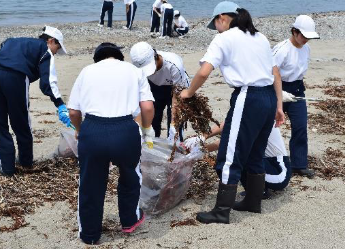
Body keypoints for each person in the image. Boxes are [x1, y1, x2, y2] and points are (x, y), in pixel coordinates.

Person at [180, 1, 284, 224]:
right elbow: (275, 73)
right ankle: (252, 202)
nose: (215, 29)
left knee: (228, 156)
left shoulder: (223, 38)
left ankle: (221, 211)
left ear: (222, 19)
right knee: (255, 153)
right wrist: (278, 106)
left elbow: (204, 71)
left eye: (215, 24)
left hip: (248, 96)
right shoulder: (260, 37)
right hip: (268, 97)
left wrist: (188, 93)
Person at [68, 43, 154, 245]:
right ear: (119, 57)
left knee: (90, 183)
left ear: (97, 58)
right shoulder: (134, 71)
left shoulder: (87, 71)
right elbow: (148, 107)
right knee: (131, 176)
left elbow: (73, 112)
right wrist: (146, 129)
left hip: (93, 130)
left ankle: (90, 234)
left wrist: (80, 129)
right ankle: (129, 221)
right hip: (125, 130)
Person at [0, 26, 70, 177]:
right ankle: (25, 163)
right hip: (16, 78)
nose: (55, 53)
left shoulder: (10, 41)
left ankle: (7, 168)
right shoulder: (45, 50)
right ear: (51, 41)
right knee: (22, 122)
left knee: (0, 125)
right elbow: (48, 82)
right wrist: (59, 104)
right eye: (57, 49)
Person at [185, 123, 291, 199]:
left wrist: (202, 146)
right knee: (239, 152)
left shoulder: (259, 113)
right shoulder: (251, 108)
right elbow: (229, 126)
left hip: (278, 170)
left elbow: (231, 138)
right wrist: (201, 141)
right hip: (265, 163)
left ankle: (259, 191)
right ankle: (255, 189)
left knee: (237, 153)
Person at [273, 15, 319, 178]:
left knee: (300, 126)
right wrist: (279, 94)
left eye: (309, 37)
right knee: (269, 128)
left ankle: (299, 164)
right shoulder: (282, 49)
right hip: (278, 88)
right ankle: (269, 163)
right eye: (304, 35)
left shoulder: (307, 48)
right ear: (294, 31)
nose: (306, 39)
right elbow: (272, 72)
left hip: (297, 90)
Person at [130, 41, 190, 143]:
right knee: (154, 118)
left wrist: (173, 126)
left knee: (175, 124)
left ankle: (175, 146)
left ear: (156, 57)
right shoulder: (137, 69)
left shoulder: (174, 65)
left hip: (174, 87)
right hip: (155, 86)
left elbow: (178, 98)